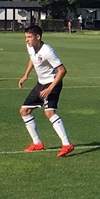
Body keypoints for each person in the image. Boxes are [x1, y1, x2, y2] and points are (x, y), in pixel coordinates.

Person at [18, 25, 74, 157]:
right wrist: (26, 75)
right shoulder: (30, 47)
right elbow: (33, 59)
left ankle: (67, 144)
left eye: (29, 37)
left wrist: (50, 88)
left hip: (52, 84)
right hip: (41, 83)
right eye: (26, 37)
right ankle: (37, 143)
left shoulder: (48, 51)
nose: (27, 40)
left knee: (49, 113)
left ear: (38, 37)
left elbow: (62, 70)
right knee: (24, 111)